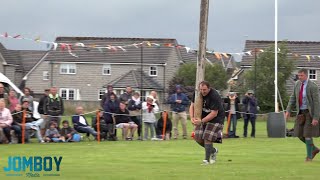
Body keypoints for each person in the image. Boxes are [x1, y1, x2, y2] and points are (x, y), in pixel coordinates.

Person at [285, 68, 320, 162]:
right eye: (298, 76)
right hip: (300, 113)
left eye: (301, 76)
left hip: (309, 113)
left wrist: (316, 117)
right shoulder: (297, 84)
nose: (299, 77)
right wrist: (288, 110)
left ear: (306, 75)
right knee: (299, 134)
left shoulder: (313, 86)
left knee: (307, 135)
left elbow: (317, 103)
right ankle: (314, 149)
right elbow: (293, 97)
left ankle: (309, 157)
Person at [189, 81, 224, 165]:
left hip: (216, 119)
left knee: (207, 138)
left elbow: (214, 113)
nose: (202, 91)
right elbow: (192, 106)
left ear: (209, 88)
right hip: (202, 117)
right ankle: (213, 151)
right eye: (201, 89)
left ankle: (206, 160)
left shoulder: (214, 96)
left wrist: (201, 121)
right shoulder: (197, 93)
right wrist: (192, 118)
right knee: (197, 137)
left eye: (204, 89)